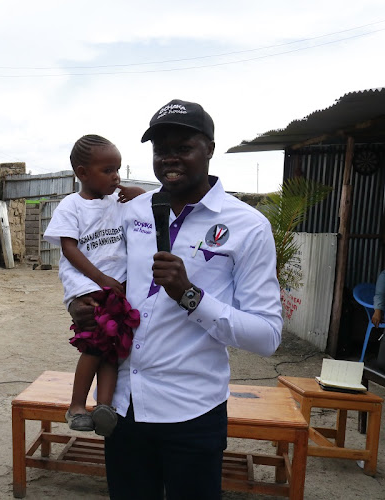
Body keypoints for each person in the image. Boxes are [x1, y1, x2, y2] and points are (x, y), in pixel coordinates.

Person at [69, 100, 282, 499]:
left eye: (182, 147)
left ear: (210, 149)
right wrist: (80, 303)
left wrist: (190, 296)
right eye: (160, 149)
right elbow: (92, 258)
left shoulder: (247, 226)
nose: (170, 158)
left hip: (192, 412)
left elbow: (267, 336)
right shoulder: (131, 211)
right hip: (124, 408)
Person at [43, 134, 144, 437]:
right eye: (108, 170)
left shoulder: (118, 202)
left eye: (118, 169)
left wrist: (135, 191)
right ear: (82, 172)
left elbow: (148, 203)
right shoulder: (71, 205)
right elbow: (70, 249)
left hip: (118, 288)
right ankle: (75, 406)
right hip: (89, 286)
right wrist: (99, 280)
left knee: (113, 348)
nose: (115, 177)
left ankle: (104, 406)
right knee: (94, 347)